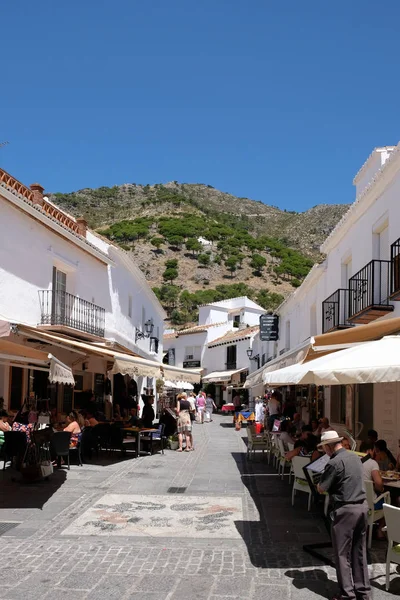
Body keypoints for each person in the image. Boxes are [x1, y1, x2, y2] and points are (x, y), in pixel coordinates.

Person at [317, 430, 371, 600]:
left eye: (324, 448)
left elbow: (321, 488)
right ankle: (363, 592)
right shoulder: (355, 457)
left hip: (346, 509)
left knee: (342, 554)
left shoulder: (334, 462)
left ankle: (347, 594)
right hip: (362, 507)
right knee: (359, 551)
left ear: (328, 446)